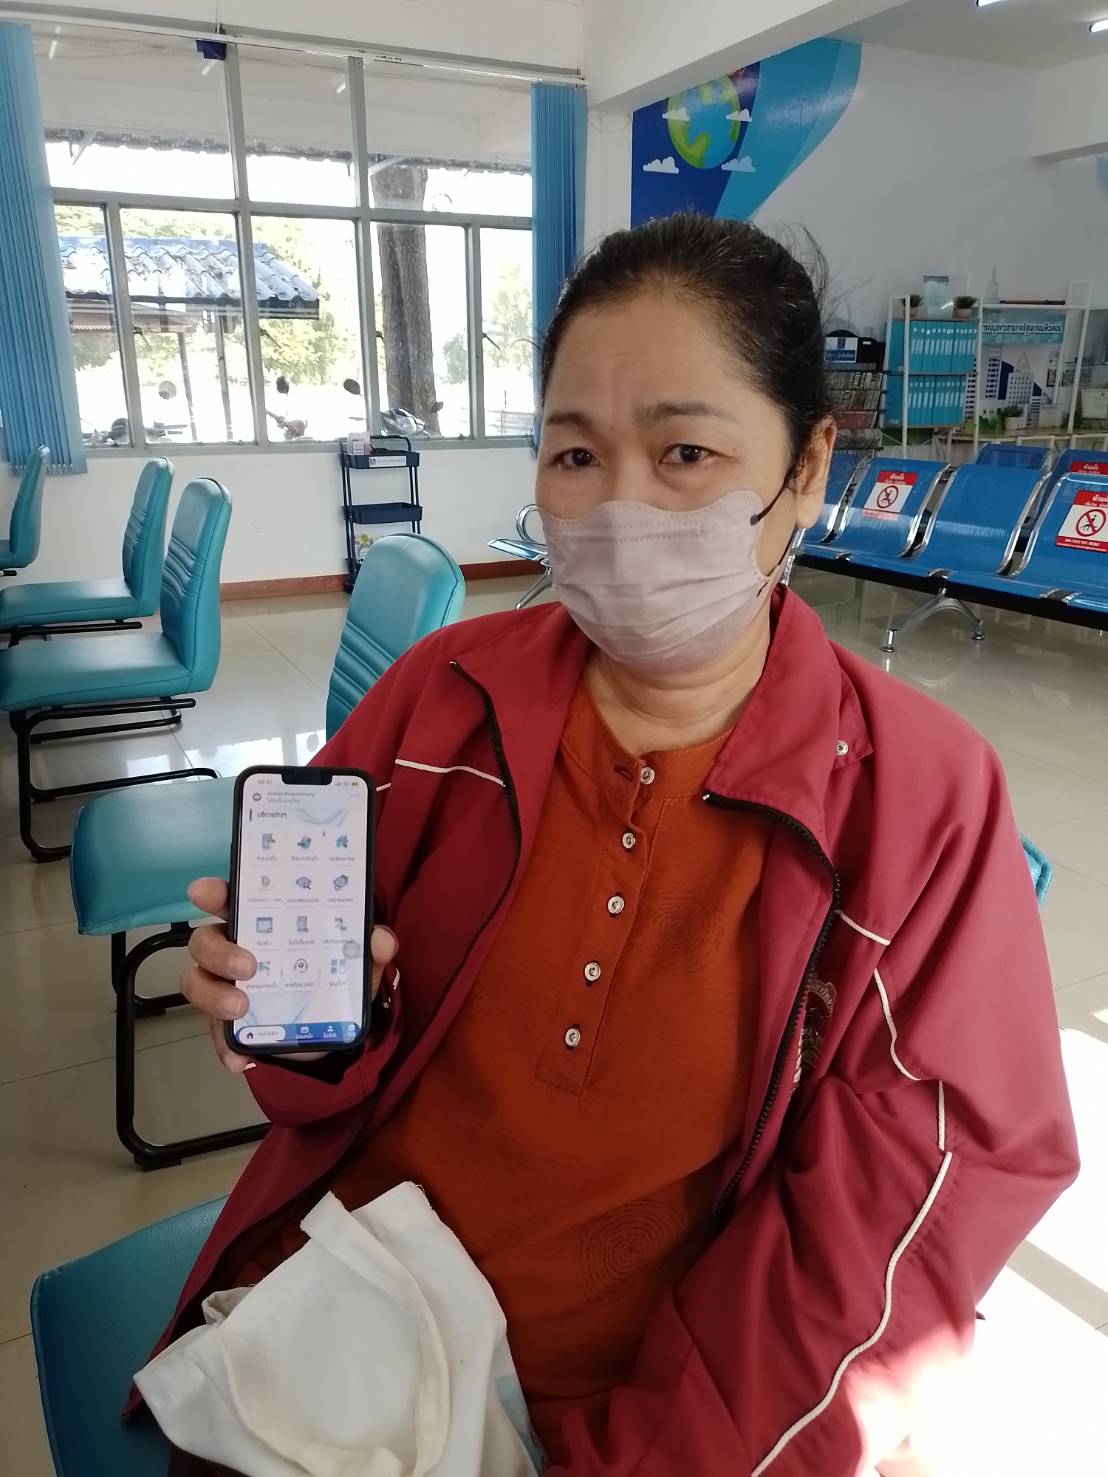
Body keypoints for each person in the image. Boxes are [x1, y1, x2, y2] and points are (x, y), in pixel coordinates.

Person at [153, 214, 1077, 1476]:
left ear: (808, 466)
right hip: (344, 1331)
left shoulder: (918, 802)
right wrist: (298, 1028)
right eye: (575, 454)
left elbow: (891, 1239)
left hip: (666, 1409)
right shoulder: (437, 702)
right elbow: (305, 1088)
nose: (621, 509)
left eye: (686, 451)